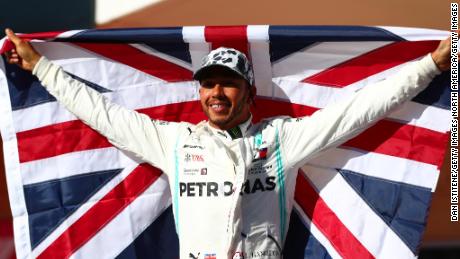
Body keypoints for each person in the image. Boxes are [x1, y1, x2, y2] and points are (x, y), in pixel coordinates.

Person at [4, 28, 451, 259]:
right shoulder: (175, 143)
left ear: (249, 92)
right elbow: (100, 112)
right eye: (208, 84)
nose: (216, 93)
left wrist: (432, 64)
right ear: (199, 92)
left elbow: (360, 109)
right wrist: (40, 67)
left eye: (229, 84)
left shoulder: (281, 140)